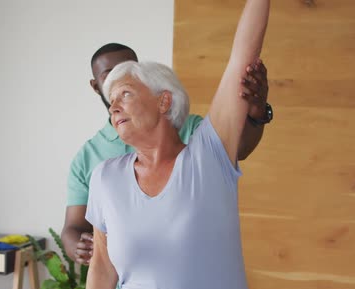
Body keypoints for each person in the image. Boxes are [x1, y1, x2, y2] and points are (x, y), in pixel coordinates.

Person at [84, 0, 270, 289]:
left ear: (164, 100)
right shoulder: (106, 178)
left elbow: (242, 56)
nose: (113, 107)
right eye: (110, 100)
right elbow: (102, 265)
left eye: (124, 94)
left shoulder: (208, 158)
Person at [62, 44, 271, 266]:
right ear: (96, 86)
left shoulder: (189, 129)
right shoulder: (89, 159)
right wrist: (77, 245)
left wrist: (257, 113)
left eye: (128, 68)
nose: (120, 77)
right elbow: (72, 228)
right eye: (109, 74)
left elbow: (238, 149)